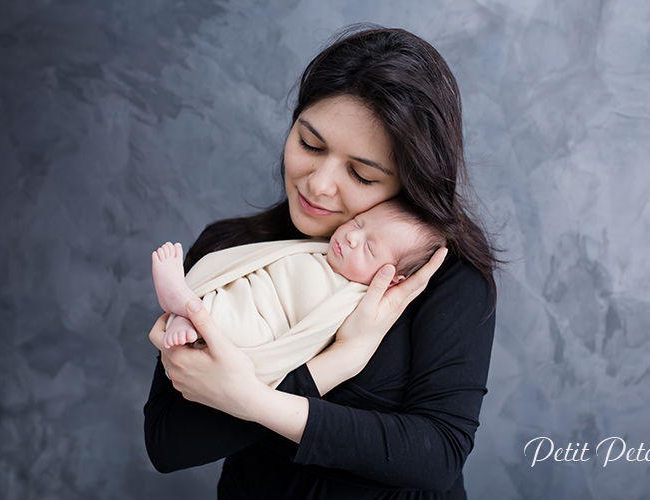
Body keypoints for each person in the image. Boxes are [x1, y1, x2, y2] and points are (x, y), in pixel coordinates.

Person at [144, 24, 499, 499]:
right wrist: (334, 365)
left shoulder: (443, 277)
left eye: (361, 173)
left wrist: (251, 401)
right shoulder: (234, 253)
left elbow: (436, 456)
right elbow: (169, 445)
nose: (319, 184)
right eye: (310, 144)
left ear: (411, 181)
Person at [151, 198, 445, 388]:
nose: (352, 237)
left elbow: (306, 336)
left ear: (392, 279)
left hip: (265, 328)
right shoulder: (320, 247)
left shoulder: (354, 298)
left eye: (369, 247)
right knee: (234, 290)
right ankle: (190, 310)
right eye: (358, 223)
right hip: (253, 296)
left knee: (246, 333)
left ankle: (185, 305)